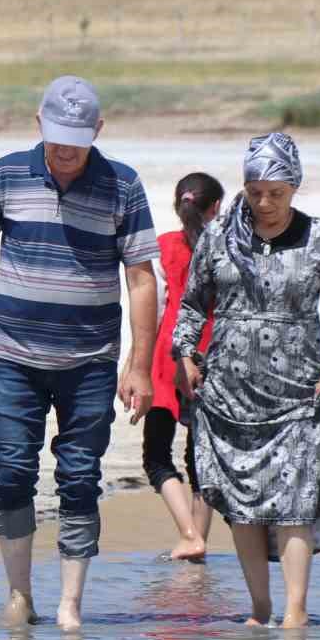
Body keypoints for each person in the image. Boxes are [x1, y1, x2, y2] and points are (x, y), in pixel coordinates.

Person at [0, 76, 159, 631]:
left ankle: (70, 606)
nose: (64, 151)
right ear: (39, 124)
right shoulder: (5, 173)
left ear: (97, 132)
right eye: (57, 137)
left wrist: (140, 365)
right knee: (11, 470)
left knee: (80, 476)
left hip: (91, 361)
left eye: (76, 141)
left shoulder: (123, 185)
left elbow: (141, 278)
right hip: (13, 354)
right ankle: (18, 596)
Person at [174, 132, 320, 628]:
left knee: (296, 499)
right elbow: (193, 305)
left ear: (294, 187)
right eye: (255, 191)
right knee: (242, 503)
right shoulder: (218, 237)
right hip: (229, 394)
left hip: (300, 390)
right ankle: (260, 608)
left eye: (276, 193)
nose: (264, 202)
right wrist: (185, 353)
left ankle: (295, 610)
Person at [138, 171, 224, 562]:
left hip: (165, 355)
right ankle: (197, 544)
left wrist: (134, 363)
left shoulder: (163, 247)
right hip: (213, 356)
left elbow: (154, 307)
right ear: (217, 208)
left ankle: (189, 535)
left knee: (157, 454)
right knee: (201, 459)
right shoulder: (229, 247)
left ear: (179, 206)